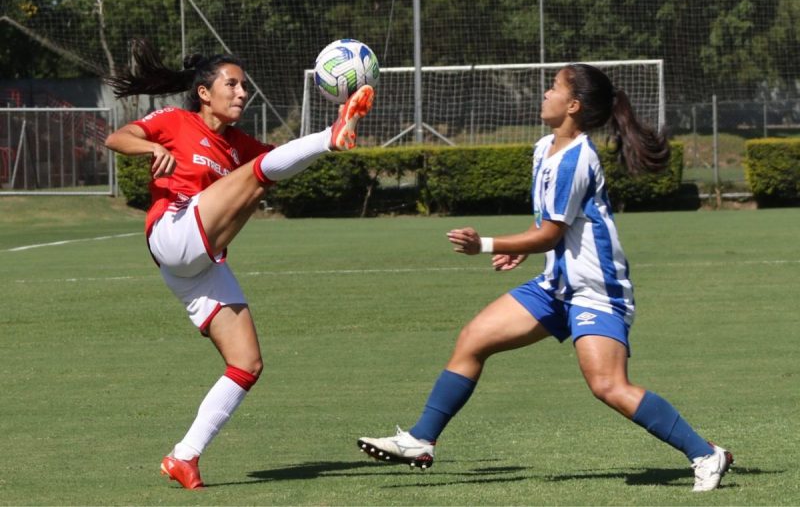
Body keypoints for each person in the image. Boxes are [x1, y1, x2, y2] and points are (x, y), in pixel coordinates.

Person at [356, 63, 733, 492]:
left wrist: (488, 244)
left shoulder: (578, 158)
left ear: (573, 105)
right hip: (556, 287)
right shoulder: (543, 149)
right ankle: (421, 440)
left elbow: (552, 232)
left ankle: (706, 454)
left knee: (608, 385)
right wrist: (523, 247)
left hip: (596, 292)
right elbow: (551, 229)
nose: (545, 93)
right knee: (474, 339)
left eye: (553, 87)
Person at [104, 39, 374, 489]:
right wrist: (150, 150)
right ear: (204, 93)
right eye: (232, 84)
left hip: (200, 265)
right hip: (172, 231)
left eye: (244, 86)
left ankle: (184, 456)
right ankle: (333, 132)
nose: (242, 93)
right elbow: (118, 137)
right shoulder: (177, 121)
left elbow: (278, 163)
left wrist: (318, 147)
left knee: (246, 363)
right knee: (255, 175)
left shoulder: (238, 144)